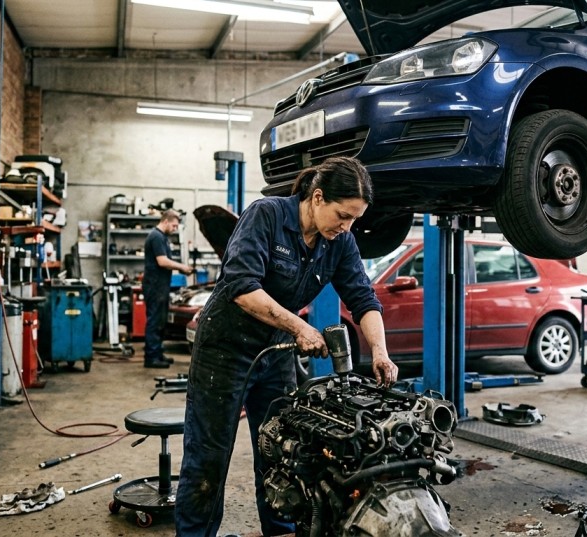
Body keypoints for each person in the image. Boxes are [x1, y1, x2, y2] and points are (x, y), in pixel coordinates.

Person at [175, 156, 399, 536]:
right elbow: (241, 287)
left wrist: (380, 350)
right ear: (316, 198)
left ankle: (279, 530)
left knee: (280, 449)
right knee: (209, 456)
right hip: (225, 350)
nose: (347, 227)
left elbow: (363, 299)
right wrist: (299, 327)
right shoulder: (266, 216)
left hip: (275, 351)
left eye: (354, 220)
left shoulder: (339, 242)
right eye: (343, 215)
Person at [142, 209, 193, 368]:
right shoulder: (156, 236)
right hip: (154, 286)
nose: (175, 229)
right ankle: (151, 357)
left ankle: (157, 353)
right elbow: (162, 261)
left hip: (160, 286)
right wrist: (182, 267)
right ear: (165, 221)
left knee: (160, 321)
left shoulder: (162, 237)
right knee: (154, 321)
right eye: (174, 225)